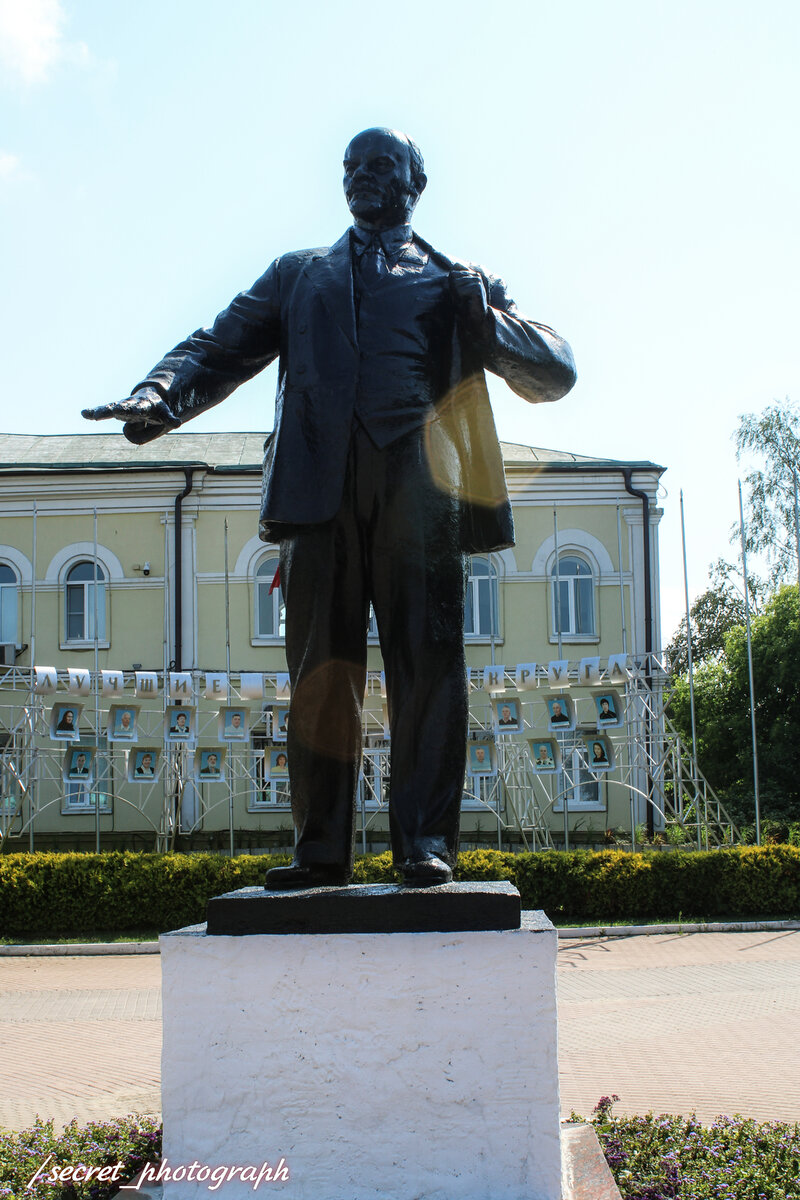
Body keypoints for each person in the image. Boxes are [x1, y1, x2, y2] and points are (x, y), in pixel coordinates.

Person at [82, 127, 575, 889]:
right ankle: (319, 853)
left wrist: (488, 323)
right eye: (349, 167)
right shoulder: (298, 274)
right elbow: (217, 346)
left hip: (422, 486)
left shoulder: (457, 280)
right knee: (319, 674)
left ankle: (426, 844)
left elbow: (556, 371)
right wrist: (159, 394)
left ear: (415, 181)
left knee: (430, 668)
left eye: (378, 165)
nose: (359, 178)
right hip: (319, 494)